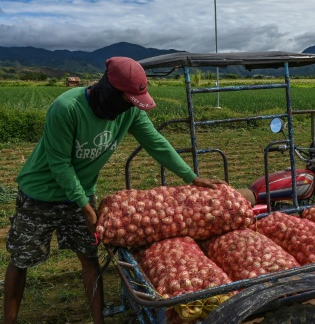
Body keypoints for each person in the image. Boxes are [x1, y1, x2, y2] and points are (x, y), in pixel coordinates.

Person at [3, 57, 225, 323]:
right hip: (39, 195)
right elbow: (59, 163)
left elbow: (155, 142)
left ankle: (99, 320)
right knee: (22, 259)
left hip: (82, 193)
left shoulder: (129, 110)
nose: (131, 104)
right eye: (128, 98)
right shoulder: (66, 108)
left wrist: (191, 176)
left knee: (89, 257)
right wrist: (84, 206)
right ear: (109, 89)